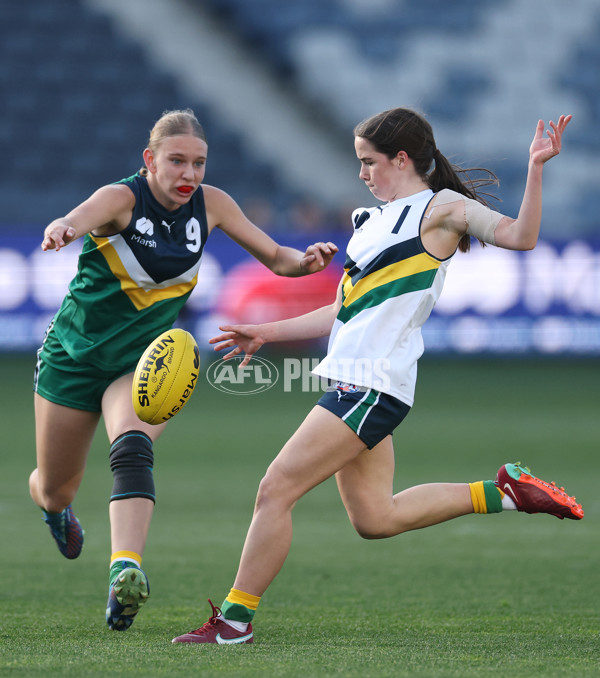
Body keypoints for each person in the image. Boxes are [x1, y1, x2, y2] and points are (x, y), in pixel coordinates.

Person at [171, 108, 582, 646]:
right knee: (375, 518)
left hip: (373, 384)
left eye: (369, 161)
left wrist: (535, 168)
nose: (362, 173)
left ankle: (234, 622)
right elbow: (344, 310)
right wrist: (266, 332)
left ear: (403, 159)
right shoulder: (369, 222)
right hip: (353, 381)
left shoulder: (442, 209)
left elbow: (521, 237)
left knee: (275, 490)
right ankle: (507, 490)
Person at [30, 108, 338, 631]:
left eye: (198, 163)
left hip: (145, 360)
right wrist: (63, 228)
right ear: (150, 160)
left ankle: (125, 572)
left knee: (131, 446)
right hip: (73, 358)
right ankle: (53, 510)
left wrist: (304, 260)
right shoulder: (121, 199)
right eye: (177, 161)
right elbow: (77, 217)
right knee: (56, 485)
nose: (189, 174)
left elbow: (276, 258)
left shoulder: (212, 205)